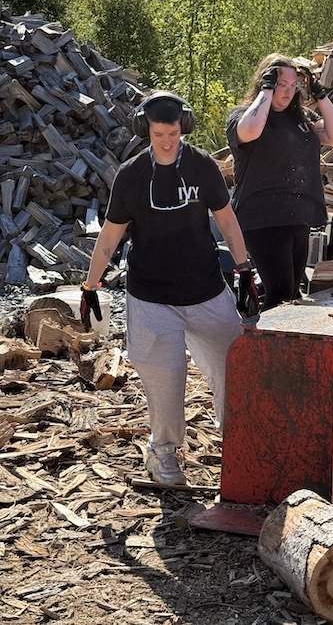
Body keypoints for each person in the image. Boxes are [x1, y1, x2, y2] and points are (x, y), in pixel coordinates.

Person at [81, 91, 254, 487]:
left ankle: (240, 439)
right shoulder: (132, 175)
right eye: (158, 133)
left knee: (235, 364)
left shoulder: (201, 166)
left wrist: (244, 270)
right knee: (166, 379)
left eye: (173, 132)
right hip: (152, 297)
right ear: (146, 130)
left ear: (184, 128)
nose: (166, 141)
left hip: (206, 289)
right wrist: (91, 286)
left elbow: (227, 221)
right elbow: (109, 238)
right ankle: (162, 453)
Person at [226, 54, 333, 311]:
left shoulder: (301, 118)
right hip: (263, 219)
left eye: (293, 86)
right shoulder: (244, 116)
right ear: (265, 83)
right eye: (281, 85)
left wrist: (320, 94)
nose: (288, 91)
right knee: (280, 296)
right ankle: (263, 348)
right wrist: (266, 91)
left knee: (291, 293)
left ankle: (278, 347)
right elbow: (251, 130)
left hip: (296, 218)